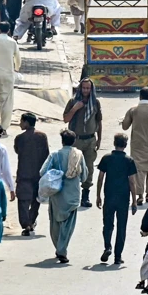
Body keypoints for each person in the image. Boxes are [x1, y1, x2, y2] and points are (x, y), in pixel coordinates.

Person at [41, 129, 92, 264]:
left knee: (55, 222)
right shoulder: (78, 155)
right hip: (73, 195)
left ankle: (59, 247)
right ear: (74, 141)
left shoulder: (55, 155)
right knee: (68, 225)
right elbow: (84, 176)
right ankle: (62, 249)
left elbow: (42, 172)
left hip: (57, 194)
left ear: (62, 141)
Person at [96, 132, 138, 265]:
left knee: (107, 224)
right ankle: (118, 256)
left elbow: (101, 177)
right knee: (121, 227)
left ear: (114, 143)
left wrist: (98, 195)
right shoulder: (129, 160)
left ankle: (107, 246)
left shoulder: (106, 158)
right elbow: (132, 182)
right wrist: (134, 200)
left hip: (109, 197)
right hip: (123, 198)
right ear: (125, 145)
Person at [63, 77, 104, 207]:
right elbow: (65, 119)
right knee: (73, 167)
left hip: (90, 140)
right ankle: (72, 195)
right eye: (84, 88)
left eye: (88, 88)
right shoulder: (73, 101)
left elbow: (99, 122)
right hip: (76, 140)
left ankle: (85, 195)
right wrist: (75, 108)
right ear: (80, 88)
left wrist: (99, 139)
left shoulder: (95, 103)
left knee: (89, 168)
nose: (86, 90)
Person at [13, 112, 49, 235]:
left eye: (21, 121)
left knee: (23, 200)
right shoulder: (42, 136)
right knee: (35, 200)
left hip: (24, 173)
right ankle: (31, 221)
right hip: (38, 174)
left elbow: (17, 151)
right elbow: (46, 155)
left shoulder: (20, 138)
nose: (20, 124)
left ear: (27, 123)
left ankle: (26, 224)